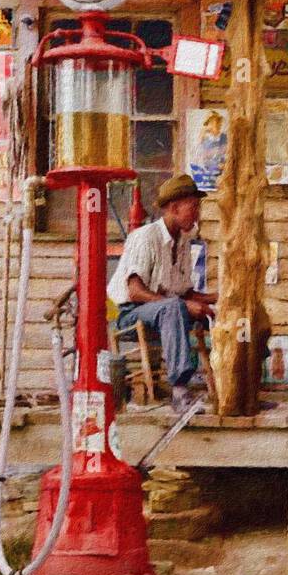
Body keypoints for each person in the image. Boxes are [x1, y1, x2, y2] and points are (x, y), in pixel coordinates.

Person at [107, 174, 219, 411]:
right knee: (174, 307)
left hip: (167, 310)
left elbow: (185, 293)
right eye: (193, 207)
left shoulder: (185, 240)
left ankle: (242, 384)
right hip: (130, 314)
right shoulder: (146, 237)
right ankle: (180, 391)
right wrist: (183, 305)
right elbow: (135, 291)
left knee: (230, 309)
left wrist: (220, 298)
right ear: (174, 207)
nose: (197, 213)